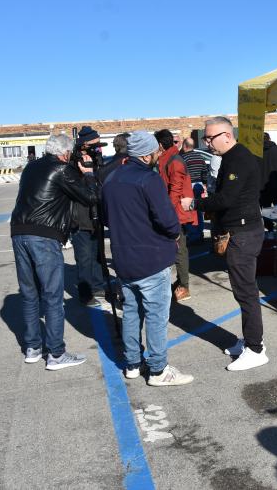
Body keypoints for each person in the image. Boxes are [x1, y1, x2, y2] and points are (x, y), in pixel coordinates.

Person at [101, 131, 194, 386]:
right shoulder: (148, 179)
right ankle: (157, 369)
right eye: (156, 152)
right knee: (155, 314)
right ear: (146, 155)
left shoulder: (111, 179)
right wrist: (174, 232)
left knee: (131, 312)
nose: (159, 155)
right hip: (151, 258)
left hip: (123, 258)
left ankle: (132, 363)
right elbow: (167, 221)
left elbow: (108, 218)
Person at [10, 133, 98, 370]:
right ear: (65, 153)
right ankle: (56, 354)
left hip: (19, 232)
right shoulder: (61, 169)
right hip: (43, 236)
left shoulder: (31, 167)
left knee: (29, 294)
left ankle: (32, 348)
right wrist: (88, 174)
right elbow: (90, 197)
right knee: (52, 296)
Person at [190, 117, 268, 371]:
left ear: (226, 134)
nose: (207, 143)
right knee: (242, 291)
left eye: (210, 138)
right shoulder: (232, 158)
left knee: (246, 293)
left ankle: (256, 349)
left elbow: (226, 199)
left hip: (243, 233)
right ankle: (250, 341)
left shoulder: (238, 159)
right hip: (240, 231)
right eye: (206, 138)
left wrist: (195, 204)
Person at [154, 129, 196, 303]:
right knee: (175, 248)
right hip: (173, 211)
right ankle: (179, 282)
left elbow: (175, 191)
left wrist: (167, 212)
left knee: (180, 249)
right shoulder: (167, 159)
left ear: (161, 145)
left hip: (176, 213)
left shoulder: (175, 161)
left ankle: (184, 286)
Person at [69, 125, 107, 305]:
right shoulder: (73, 163)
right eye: (94, 144)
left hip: (96, 216)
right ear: (83, 145)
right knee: (84, 258)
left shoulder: (96, 158)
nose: (98, 148)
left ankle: (99, 286)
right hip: (80, 217)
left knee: (98, 255)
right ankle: (85, 293)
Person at [180, 137, 208, 244]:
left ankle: (193, 235)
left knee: (189, 211)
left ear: (185, 146)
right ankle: (199, 233)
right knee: (199, 210)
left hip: (188, 186)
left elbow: (181, 174)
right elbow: (205, 172)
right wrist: (204, 183)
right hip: (199, 185)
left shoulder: (183, 158)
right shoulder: (200, 157)